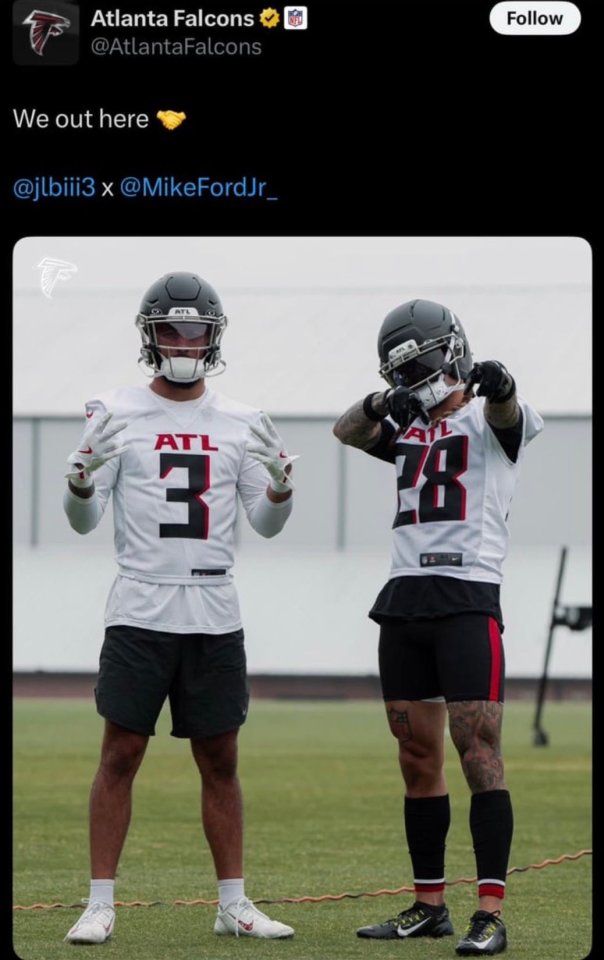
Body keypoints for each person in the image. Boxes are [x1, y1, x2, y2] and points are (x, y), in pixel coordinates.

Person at [62, 272, 297, 944]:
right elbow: (83, 521)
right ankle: (99, 903)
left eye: (196, 331)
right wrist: (79, 482)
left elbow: (265, 524)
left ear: (213, 338)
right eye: (172, 329)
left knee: (221, 759)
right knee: (120, 754)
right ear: (150, 335)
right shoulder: (114, 412)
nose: (184, 343)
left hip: (214, 607)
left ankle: (233, 904)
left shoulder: (242, 421)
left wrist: (280, 491)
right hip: (140, 603)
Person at [333, 299, 543, 956]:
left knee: (479, 753)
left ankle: (490, 913)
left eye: (418, 364)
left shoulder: (489, 420)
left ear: (451, 353)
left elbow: (508, 413)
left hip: (466, 596)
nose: (413, 377)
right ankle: (429, 906)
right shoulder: (406, 423)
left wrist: (501, 385)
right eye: (402, 370)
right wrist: (380, 402)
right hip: (404, 598)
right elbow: (346, 430)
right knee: (416, 757)